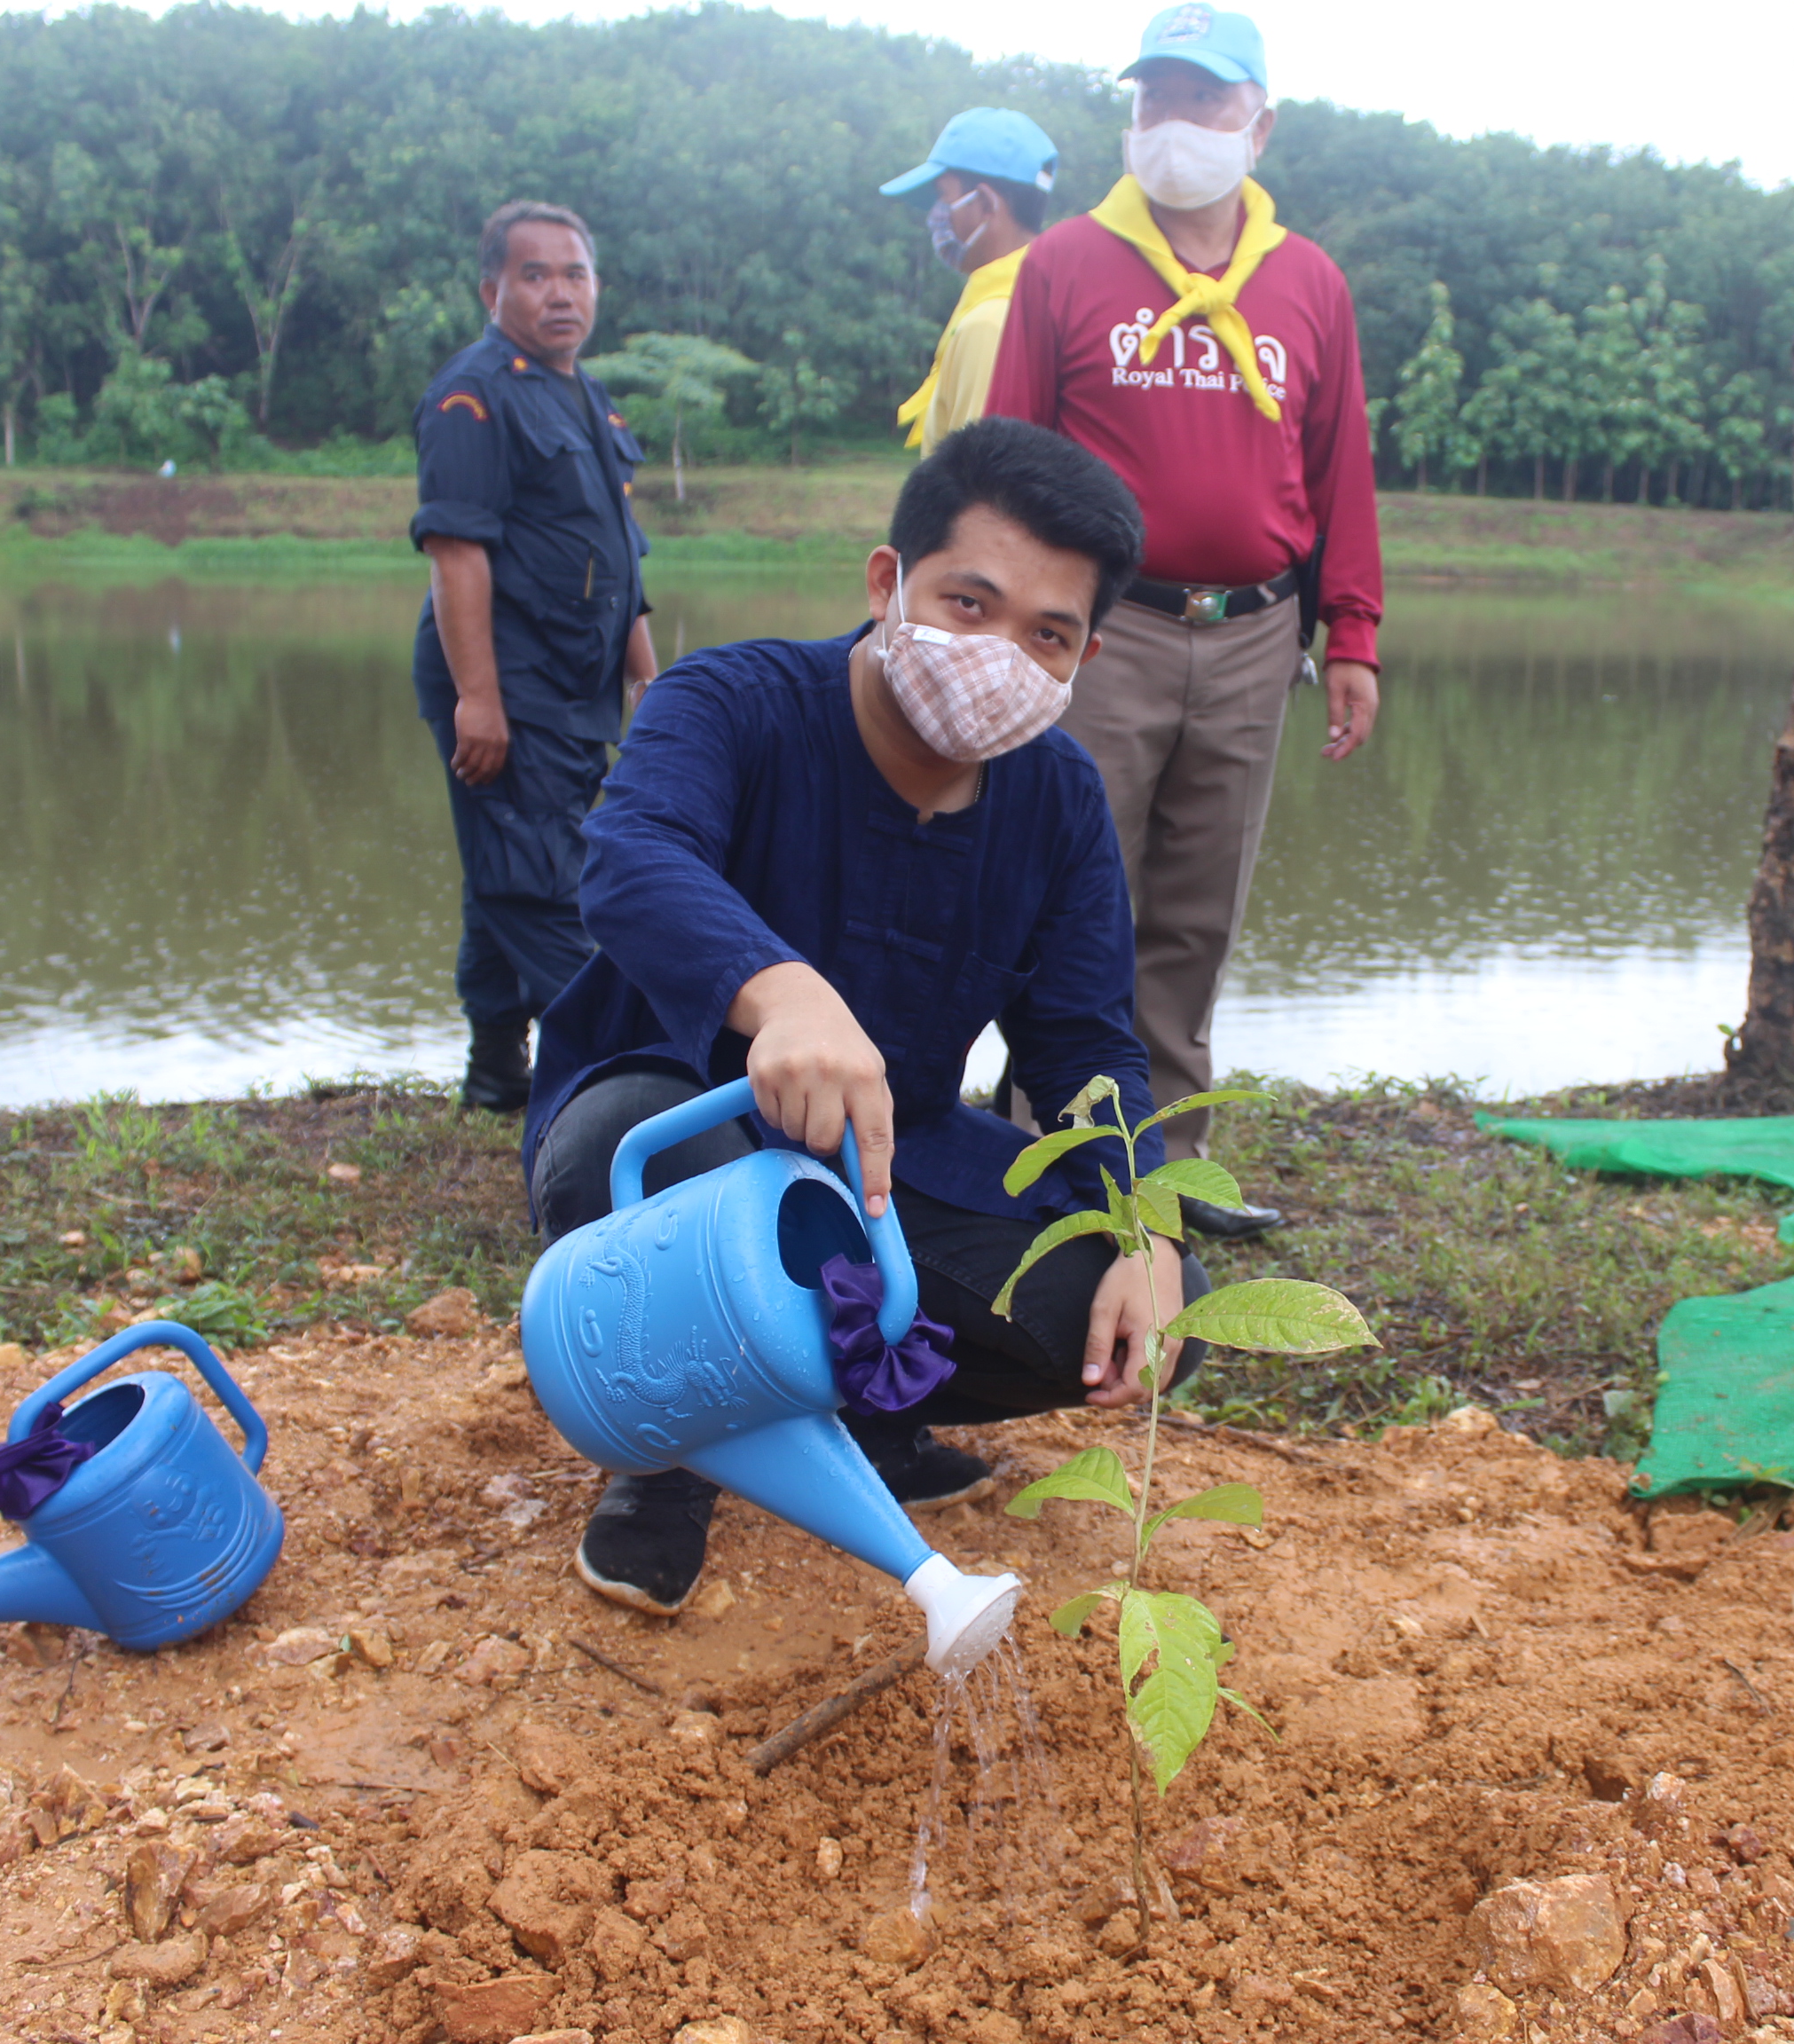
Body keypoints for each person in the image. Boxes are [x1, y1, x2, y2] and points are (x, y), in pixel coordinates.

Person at [523, 417, 1209, 1616]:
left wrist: (1142, 1224)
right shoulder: (733, 702)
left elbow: (1085, 1041)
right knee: (647, 1148)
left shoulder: (1058, 801)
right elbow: (632, 854)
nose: (999, 652)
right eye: (968, 604)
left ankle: (875, 1410)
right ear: (889, 582)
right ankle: (669, 1464)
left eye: (1047, 635)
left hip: (897, 1161)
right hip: (682, 1116)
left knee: (1135, 1300)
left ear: (1087, 654)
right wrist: (777, 988)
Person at [984, 4, 1383, 1235]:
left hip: (1258, 630)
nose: (1174, 125)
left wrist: (1352, 635)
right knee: (1070, 886)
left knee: (1197, 909)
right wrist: (1004, 625)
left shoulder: (1309, 282)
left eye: (1203, 102)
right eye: (1154, 98)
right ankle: (1036, 1155)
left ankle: (1160, 1172)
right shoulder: (1063, 268)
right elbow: (1005, 456)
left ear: (1258, 124)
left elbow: (1340, 472)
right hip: (1104, 630)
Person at [409, 200, 660, 1115]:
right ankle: (625, 1082)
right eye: (536, 274)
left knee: (504, 871)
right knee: (541, 884)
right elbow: (457, 553)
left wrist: (647, 678)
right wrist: (480, 700)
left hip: (573, 683)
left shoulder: (585, 396)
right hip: (508, 686)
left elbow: (619, 553)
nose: (561, 293)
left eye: (576, 273)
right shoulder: (472, 396)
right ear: (493, 289)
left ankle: (496, 1071)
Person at [878, 107, 1058, 453]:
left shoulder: (992, 324)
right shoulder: (1039, 299)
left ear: (986, 204)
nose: (936, 218)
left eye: (944, 199)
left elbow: (981, 490)